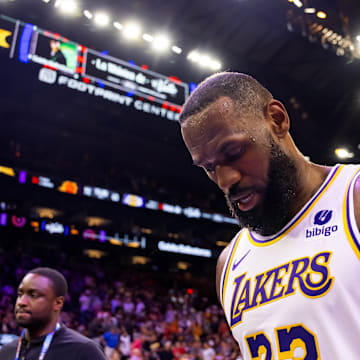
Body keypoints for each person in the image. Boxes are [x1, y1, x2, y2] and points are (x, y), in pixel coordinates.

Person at [180, 72, 360, 359]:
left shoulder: (353, 199)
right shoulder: (228, 264)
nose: (225, 180)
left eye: (234, 151)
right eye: (209, 167)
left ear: (276, 119)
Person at [0, 267, 106, 360]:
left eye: (33, 295)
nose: (22, 302)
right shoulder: (7, 351)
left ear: (58, 303)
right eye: (20, 294)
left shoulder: (83, 351)